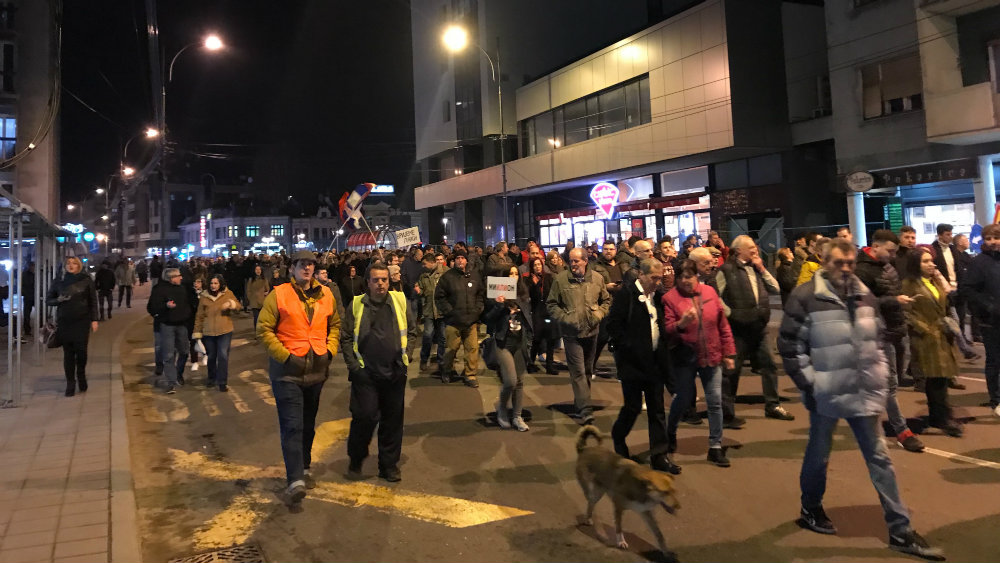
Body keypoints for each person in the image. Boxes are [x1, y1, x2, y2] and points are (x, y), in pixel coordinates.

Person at [777, 239, 943, 560]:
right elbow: (790, 346)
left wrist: (880, 375)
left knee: (880, 458)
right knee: (819, 453)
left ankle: (900, 530)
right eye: (839, 263)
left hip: (863, 390)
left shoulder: (864, 293)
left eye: (850, 262)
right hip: (825, 392)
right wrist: (812, 384)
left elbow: (877, 339)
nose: (846, 269)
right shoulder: (806, 296)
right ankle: (811, 507)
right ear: (824, 261)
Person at [257, 250, 341, 506]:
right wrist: (285, 356)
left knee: (307, 423)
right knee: (292, 424)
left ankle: (303, 466)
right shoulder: (278, 294)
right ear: (292, 268)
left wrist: (330, 350)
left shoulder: (326, 294)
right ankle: (295, 479)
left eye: (311, 264)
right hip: (288, 373)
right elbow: (263, 329)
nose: (307, 269)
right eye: (302, 264)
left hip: (316, 370)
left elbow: (335, 324)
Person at [341, 263, 417, 482]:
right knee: (364, 417)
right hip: (366, 374)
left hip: (394, 372)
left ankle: (388, 465)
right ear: (368, 283)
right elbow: (346, 337)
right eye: (376, 280)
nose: (381, 283)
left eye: (384, 279)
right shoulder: (357, 305)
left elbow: (412, 331)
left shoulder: (399, 301)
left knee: (392, 422)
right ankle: (356, 459)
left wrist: (406, 358)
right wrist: (354, 366)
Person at [854, 230, 924, 452]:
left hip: (894, 329)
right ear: (875, 247)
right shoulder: (861, 270)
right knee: (889, 385)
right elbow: (861, 302)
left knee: (887, 382)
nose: (893, 255)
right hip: (876, 333)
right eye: (890, 251)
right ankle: (902, 431)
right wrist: (894, 300)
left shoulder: (887, 266)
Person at [608, 259, 678, 474]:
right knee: (633, 407)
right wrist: (629, 348)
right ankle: (618, 436)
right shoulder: (626, 295)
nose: (657, 283)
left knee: (657, 410)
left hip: (654, 363)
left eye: (660, 278)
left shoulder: (657, 297)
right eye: (654, 278)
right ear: (642, 275)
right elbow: (613, 327)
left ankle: (659, 455)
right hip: (632, 364)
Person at [663, 260, 736, 468]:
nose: (686, 281)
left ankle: (715, 446)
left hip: (711, 354)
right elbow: (667, 330)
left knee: (714, 401)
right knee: (683, 398)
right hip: (685, 357)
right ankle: (671, 431)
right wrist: (681, 324)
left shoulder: (710, 293)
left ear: (697, 276)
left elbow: (723, 324)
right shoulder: (670, 298)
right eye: (682, 277)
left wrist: (729, 352)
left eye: (690, 276)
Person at [715, 236, 793, 423]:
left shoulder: (756, 268)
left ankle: (773, 405)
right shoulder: (726, 270)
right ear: (738, 250)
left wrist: (762, 268)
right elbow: (715, 295)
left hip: (759, 327)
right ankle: (726, 412)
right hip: (738, 329)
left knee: (769, 366)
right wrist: (730, 313)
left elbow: (775, 288)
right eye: (750, 247)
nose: (755, 250)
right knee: (732, 371)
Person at [901, 248, 963, 437]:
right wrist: (924, 329)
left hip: (942, 334)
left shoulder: (934, 280)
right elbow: (906, 312)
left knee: (942, 377)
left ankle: (940, 416)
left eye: (931, 261)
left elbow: (945, 303)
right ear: (916, 264)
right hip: (926, 337)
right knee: (935, 378)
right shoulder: (909, 284)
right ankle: (942, 418)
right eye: (926, 261)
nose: (931, 264)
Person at [546, 247, 610, 424]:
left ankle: (580, 403)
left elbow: (606, 300)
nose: (572, 264)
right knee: (578, 372)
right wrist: (565, 318)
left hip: (592, 332)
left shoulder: (597, 279)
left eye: (576, 261)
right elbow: (551, 304)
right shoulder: (561, 280)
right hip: (571, 333)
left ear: (585, 261)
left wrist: (599, 314)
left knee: (588, 371)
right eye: (571, 260)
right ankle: (585, 409)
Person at [483, 266, 533, 432]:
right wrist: (499, 305)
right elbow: (487, 320)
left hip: (519, 343)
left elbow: (528, 320)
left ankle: (517, 416)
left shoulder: (523, 295)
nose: (513, 276)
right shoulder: (497, 296)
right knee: (510, 380)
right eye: (510, 274)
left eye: (516, 273)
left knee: (519, 382)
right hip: (503, 343)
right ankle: (502, 409)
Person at [960, 223, 1000, 417]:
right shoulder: (979, 263)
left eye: (996, 238)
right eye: (988, 238)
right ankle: (996, 400)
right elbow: (967, 289)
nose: (992, 242)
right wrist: (988, 305)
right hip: (990, 321)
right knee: (994, 360)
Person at [46, 257, 99, 397]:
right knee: (68, 353)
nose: (71, 265)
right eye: (68, 263)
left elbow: (93, 300)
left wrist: (94, 319)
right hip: (65, 321)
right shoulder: (59, 281)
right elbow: (48, 300)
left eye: (74, 263)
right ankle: (70, 383)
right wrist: (58, 300)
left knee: (81, 351)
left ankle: (81, 374)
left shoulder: (86, 280)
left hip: (82, 321)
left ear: (79, 266)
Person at [434, 248, 486, 387]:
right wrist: (449, 312)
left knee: (472, 349)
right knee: (451, 349)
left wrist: (478, 309)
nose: (460, 260)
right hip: (453, 321)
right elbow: (439, 297)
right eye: (457, 258)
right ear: (453, 261)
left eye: (462, 258)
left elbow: (480, 294)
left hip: (471, 321)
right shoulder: (447, 277)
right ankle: (447, 370)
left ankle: (470, 375)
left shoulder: (474, 276)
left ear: (466, 260)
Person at [147, 268, 194, 393]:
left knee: (184, 351)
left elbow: (190, 302)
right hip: (167, 325)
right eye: (178, 276)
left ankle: (178, 373)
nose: (181, 278)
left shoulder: (183, 288)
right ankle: (171, 382)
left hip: (182, 324)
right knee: (168, 355)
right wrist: (165, 307)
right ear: (171, 278)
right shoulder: (159, 290)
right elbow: (152, 307)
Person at [193, 274, 239, 392]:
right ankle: (211, 378)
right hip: (208, 332)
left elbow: (238, 306)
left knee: (223, 355)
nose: (213, 286)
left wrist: (230, 304)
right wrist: (197, 331)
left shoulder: (227, 294)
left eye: (216, 283)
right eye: (212, 283)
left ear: (220, 284)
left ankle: (222, 382)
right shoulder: (204, 296)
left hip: (225, 330)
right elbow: (199, 316)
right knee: (211, 356)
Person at [525, 256, 558, 375]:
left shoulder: (548, 278)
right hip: (536, 311)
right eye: (535, 265)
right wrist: (535, 284)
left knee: (551, 339)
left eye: (539, 264)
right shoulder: (528, 280)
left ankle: (550, 365)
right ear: (531, 267)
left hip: (548, 311)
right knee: (537, 339)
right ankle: (531, 363)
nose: (537, 267)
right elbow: (530, 296)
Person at [416, 253, 447, 374]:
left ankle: (441, 361)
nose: (423, 266)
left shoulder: (445, 273)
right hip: (429, 310)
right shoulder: (423, 276)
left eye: (425, 263)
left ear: (431, 262)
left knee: (442, 338)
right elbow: (423, 290)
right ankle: (424, 358)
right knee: (427, 335)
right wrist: (419, 290)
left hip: (442, 311)